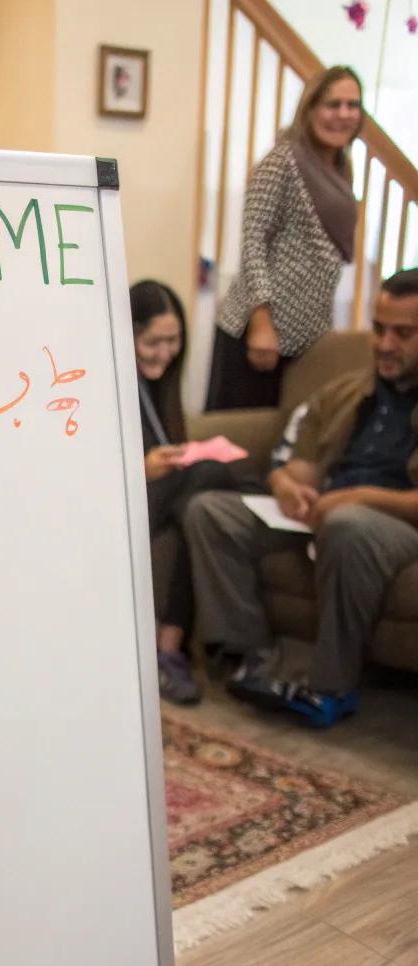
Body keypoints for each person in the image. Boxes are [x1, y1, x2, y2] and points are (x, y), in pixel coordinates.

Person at [184, 268, 418, 727]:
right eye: (378, 329)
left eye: (403, 333)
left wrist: (358, 498)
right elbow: (298, 467)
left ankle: (331, 687)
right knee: (210, 511)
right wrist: (288, 488)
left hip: (390, 525)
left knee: (349, 525)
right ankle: (252, 660)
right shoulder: (346, 391)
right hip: (325, 517)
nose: (385, 344)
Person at [207, 65, 363, 410]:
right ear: (309, 109)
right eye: (332, 104)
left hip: (305, 334)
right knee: (240, 445)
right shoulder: (282, 162)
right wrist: (263, 324)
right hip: (260, 334)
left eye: (353, 105)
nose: (343, 114)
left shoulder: (341, 167)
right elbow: (253, 243)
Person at [132, 280, 240, 706]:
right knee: (214, 473)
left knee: (196, 511)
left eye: (173, 340)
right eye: (152, 342)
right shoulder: (100, 384)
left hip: (165, 500)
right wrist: (142, 469)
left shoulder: (163, 385)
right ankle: (173, 650)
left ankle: (168, 650)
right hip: (124, 503)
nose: (165, 352)